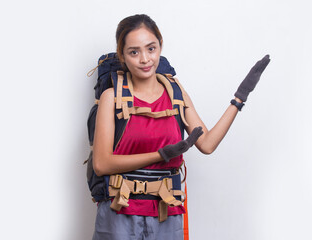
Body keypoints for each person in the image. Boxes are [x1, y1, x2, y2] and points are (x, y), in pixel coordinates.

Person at [92, 14, 270, 240]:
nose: (145, 59)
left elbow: (207, 144)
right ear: (123, 55)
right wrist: (161, 154)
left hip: (166, 211)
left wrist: (240, 97)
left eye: (151, 48)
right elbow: (101, 164)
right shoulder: (112, 97)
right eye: (134, 52)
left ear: (160, 46)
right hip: (119, 211)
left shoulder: (175, 93)